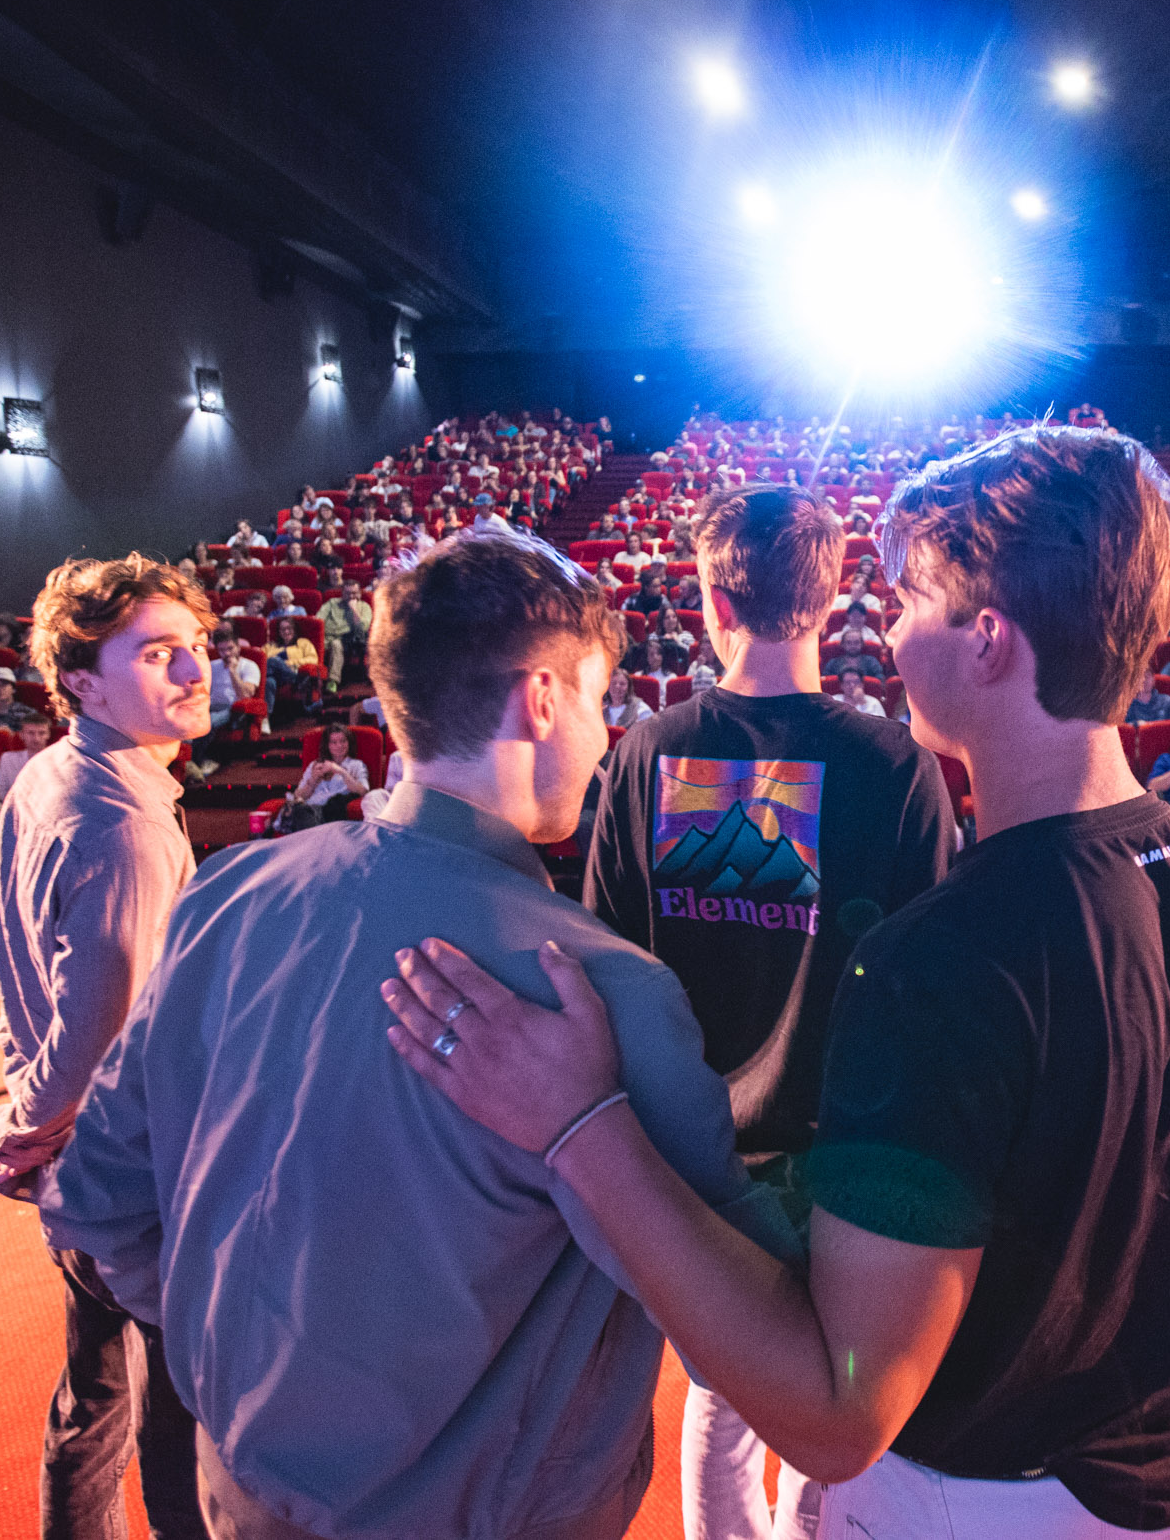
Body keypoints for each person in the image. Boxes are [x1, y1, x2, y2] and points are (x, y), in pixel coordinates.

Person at [380, 427, 1170, 1540]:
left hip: (967, 1492)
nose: (888, 633)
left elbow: (836, 1411)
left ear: (988, 640)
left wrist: (581, 1125)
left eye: (909, 601)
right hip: (1154, 1478)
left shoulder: (939, 962)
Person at [44, 532, 787, 1540]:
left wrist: (239, 1365)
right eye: (598, 698)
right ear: (542, 699)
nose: (606, 734)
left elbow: (96, 1201)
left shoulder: (226, 892)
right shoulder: (604, 989)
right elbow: (749, 1342)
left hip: (244, 1490)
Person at [582, 485, 955, 1540]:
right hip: (848, 1148)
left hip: (690, 1144)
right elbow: (929, 982)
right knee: (833, 1389)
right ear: (833, 598)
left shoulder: (645, 751)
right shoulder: (894, 764)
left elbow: (609, 958)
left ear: (711, 598)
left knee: (723, 1390)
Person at [0, 554, 218, 1540]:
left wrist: (26, 1119)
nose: (195, 670)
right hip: (131, 1176)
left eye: (198, 645)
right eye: (156, 653)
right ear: (81, 681)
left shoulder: (47, 772)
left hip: (75, 1166)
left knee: (90, 1403)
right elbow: (98, 1034)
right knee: (181, 1431)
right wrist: (27, 1125)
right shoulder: (123, 826)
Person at [277, 723, 370, 829]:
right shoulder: (315, 764)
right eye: (334, 742)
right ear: (327, 745)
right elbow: (298, 796)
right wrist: (313, 780)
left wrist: (340, 771)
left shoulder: (356, 765)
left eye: (343, 741)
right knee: (300, 810)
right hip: (309, 808)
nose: (339, 746)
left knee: (302, 814)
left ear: (349, 742)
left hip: (330, 812)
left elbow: (363, 791)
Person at [317, 570, 371, 693]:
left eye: (354, 593)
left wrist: (354, 610)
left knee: (337, 644)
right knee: (334, 643)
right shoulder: (332, 603)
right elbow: (318, 620)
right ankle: (327, 681)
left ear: (359, 593)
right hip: (329, 638)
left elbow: (362, 628)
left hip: (352, 640)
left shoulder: (364, 607)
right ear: (342, 593)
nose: (351, 597)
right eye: (348, 593)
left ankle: (333, 681)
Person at [0, 716, 54, 805]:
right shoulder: (7, 758)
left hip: (46, 808)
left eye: (42, 733)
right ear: (21, 735)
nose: (36, 739)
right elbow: (1, 794)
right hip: (13, 807)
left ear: (48, 735)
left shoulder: (58, 759)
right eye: (31, 733)